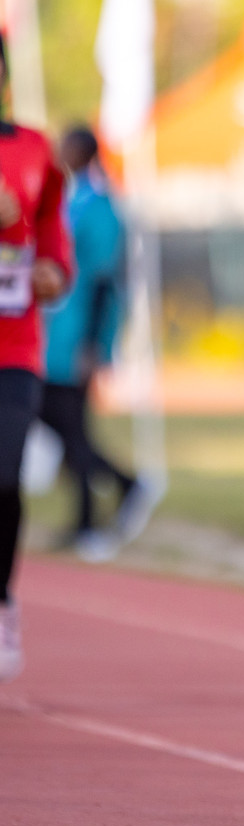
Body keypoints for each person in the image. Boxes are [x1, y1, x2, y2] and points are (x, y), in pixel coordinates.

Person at [38, 126, 155, 562]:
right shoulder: (75, 198)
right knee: (65, 427)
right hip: (56, 337)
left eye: (65, 146)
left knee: (67, 425)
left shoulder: (102, 205)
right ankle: (87, 517)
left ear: (81, 152)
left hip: (77, 339)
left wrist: (93, 345)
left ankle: (126, 486)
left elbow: (105, 280)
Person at [0, 33, 73, 681]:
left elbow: (52, 231)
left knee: (4, 473)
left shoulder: (31, 149)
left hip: (13, 345)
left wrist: (53, 268)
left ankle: (1, 602)